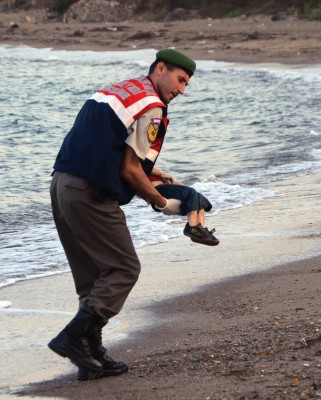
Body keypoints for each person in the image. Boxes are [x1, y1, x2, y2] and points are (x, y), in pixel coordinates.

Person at [48, 48, 197, 381]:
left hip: (62, 185)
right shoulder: (154, 108)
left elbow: (106, 144)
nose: (182, 91)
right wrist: (162, 203)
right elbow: (130, 171)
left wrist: (153, 173)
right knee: (123, 268)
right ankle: (74, 336)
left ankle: (90, 358)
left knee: (91, 278)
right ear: (161, 68)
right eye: (180, 80)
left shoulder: (120, 89)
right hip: (89, 194)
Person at [147, 166, 219, 246]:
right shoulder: (142, 167)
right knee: (191, 193)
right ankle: (192, 228)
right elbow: (146, 166)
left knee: (198, 197)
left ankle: (200, 231)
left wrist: (186, 189)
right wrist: (162, 173)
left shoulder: (155, 172)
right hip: (158, 190)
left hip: (166, 188)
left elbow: (173, 183)